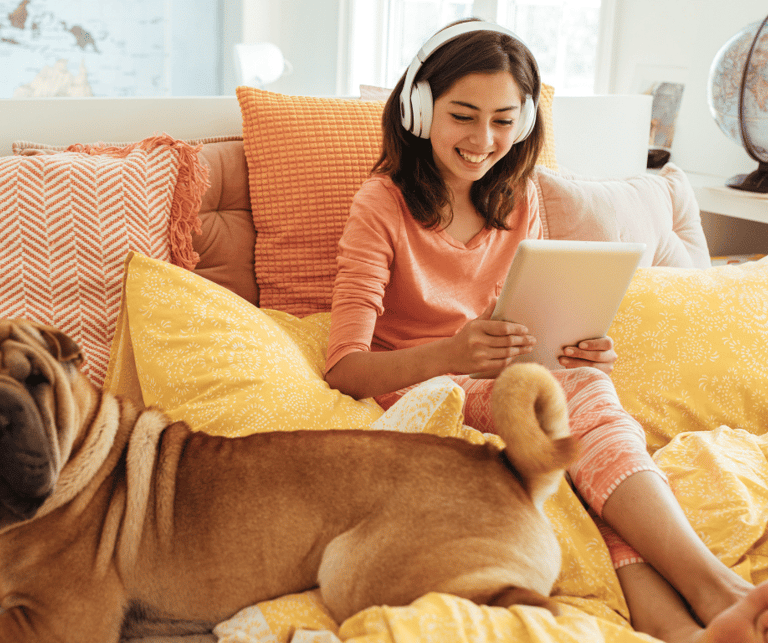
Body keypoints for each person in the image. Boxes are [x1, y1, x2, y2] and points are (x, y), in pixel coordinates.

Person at [325, 17, 768, 643]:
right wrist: (451, 353)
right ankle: (717, 587)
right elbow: (344, 366)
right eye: (464, 115)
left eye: (505, 119)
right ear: (419, 110)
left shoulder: (519, 198)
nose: (484, 139)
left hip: (516, 386)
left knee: (579, 442)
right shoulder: (381, 204)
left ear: (527, 123)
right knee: (574, 406)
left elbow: (527, 317)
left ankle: (683, 630)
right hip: (426, 391)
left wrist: (577, 344)